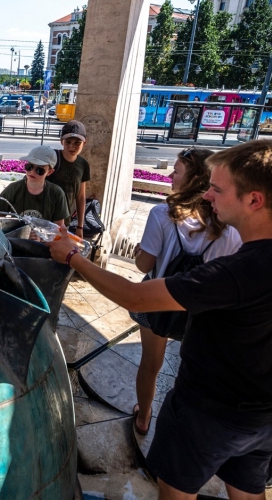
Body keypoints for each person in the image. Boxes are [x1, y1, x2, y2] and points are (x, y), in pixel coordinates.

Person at [46, 140, 272, 499]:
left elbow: (134, 295)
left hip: (207, 414)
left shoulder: (238, 274)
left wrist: (72, 256)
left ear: (254, 200)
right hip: (260, 419)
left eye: (217, 189)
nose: (208, 197)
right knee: (247, 490)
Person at [130, 148, 241, 437]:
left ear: (192, 179)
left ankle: (143, 417)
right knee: (192, 369)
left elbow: (144, 264)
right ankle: (183, 426)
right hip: (201, 311)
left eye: (176, 170)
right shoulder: (228, 227)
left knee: (150, 364)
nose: (169, 175)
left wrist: (139, 252)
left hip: (156, 303)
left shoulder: (161, 214)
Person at [0, 145, 69, 226]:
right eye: (29, 167)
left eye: (39, 170)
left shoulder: (56, 193)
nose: (32, 171)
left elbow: (59, 228)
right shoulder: (13, 189)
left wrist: (42, 237)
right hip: (16, 237)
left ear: (49, 172)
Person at [47, 120, 91, 237]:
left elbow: (80, 197)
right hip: (43, 218)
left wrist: (80, 227)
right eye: (68, 142)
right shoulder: (52, 157)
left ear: (84, 143)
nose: (72, 146)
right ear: (62, 141)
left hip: (63, 221)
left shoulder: (83, 165)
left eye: (77, 142)